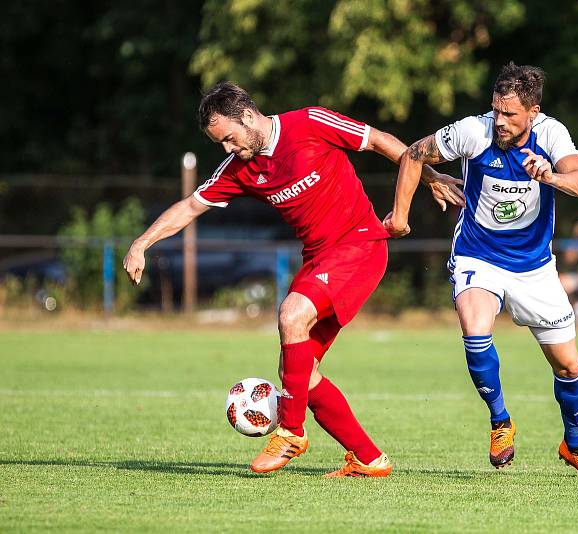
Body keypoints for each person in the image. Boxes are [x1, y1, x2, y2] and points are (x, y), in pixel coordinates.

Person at [123, 82, 463, 477]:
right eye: (220, 144)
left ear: (247, 116)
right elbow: (189, 207)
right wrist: (141, 242)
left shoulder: (310, 123)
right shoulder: (240, 168)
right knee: (298, 373)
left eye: (229, 138)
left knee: (291, 314)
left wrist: (429, 175)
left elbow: (381, 141)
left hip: (361, 244)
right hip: (319, 258)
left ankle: (290, 431)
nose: (227, 149)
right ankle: (368, 458)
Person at [383, 63, 578, 477]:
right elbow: (414, 153)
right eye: (496, 111)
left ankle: (574, 443)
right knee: (474, 328)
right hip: (478, 254)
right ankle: (500, 421)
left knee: (568, 367)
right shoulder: (474, 130)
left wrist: (550, 175)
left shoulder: (552, 135)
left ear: (533, 112)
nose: (500, 122)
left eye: (510, 115)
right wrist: (400, 216)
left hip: (535, 267)